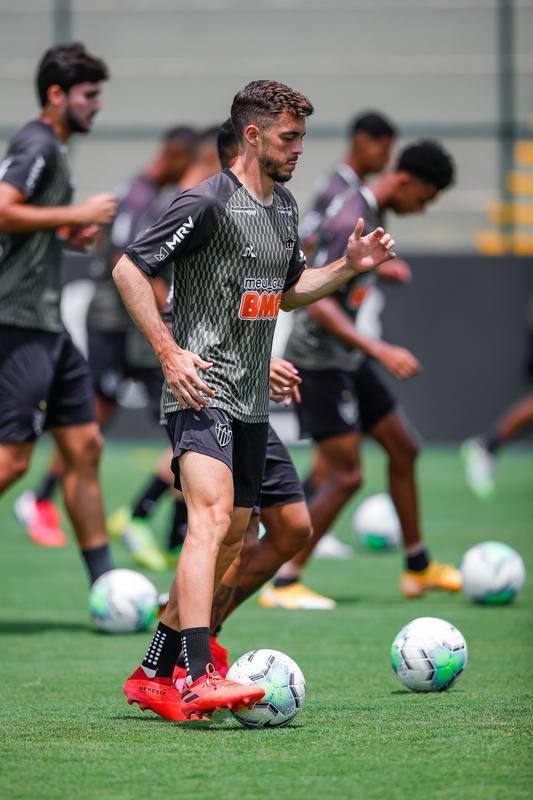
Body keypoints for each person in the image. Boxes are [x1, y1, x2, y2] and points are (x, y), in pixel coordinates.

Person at [113, 80, 396, 722]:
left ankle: (153, 672)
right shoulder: (206, 201)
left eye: (302, 138)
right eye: (289, 137)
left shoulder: (284, 207)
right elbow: (129, 268)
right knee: (210, 523)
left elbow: (288, 291)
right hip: (200, 391)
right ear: (252, 134)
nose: (299, 149)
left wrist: (349, 266)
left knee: (235, 538)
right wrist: (169, 352)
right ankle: (196, 675)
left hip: (250, 401)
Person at [265, 140, 462, 608]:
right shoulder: (350, 216)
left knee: (403, 447)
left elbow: (344, 272)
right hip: (318, 361)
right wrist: (378, 347)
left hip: (348, 359)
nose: (421, 210)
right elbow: (318, 301)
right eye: (423, 199)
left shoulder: (369, 209)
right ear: (405, 182)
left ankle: (417, 568)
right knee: (346, 475)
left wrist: (374, 275)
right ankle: (285, 581)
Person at [14, 126, 198, 566]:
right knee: (111, 418)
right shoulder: (138, 193)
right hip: (112, 323)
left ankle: (170, 529)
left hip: (130, 326)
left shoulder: (152, 193)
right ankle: (43, 499)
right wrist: (165, 310)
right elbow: (125, 259)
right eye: (193, 164)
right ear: (176, 156)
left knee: (167, 419)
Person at [0, 43, 117, 585]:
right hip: (17, 321)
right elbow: (2, 209)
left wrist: (67, 231)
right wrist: (78, 211)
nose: (96, 105)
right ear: (56, 95)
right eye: (88, 95)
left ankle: (105, 585)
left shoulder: (56, 148)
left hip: (48, 325)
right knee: (13, 460)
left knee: (84, 446)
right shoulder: (38, 142)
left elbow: (26, 222)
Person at [300, 110, 397, 246]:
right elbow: (307, 240)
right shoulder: (337, 189)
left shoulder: (355, 186)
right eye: (384, 150)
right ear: (362, 141)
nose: (387, 159)